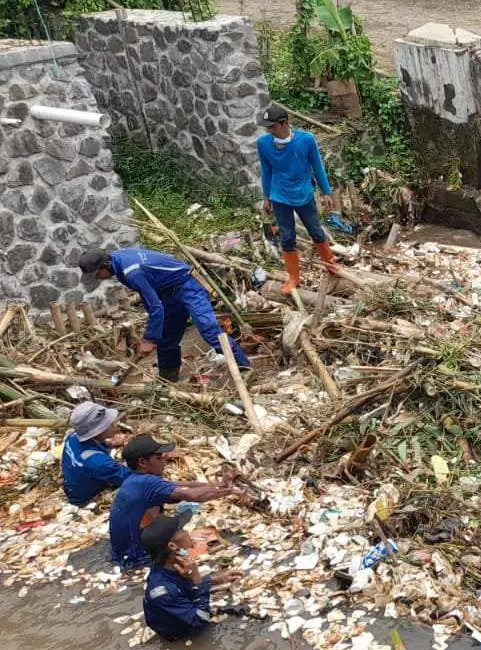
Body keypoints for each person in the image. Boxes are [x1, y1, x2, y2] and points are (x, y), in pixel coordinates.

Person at [78, 247, 249, 382]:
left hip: (186, 284)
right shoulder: (117, 260)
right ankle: (168, 378)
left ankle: (245, 368)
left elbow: (155, 308)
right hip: (167, 291)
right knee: (167, 337)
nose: (98, 278)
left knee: (208, 329)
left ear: (105, 265)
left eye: (97, 274)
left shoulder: (132, 271)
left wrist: (149, 339)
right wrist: (154, 336)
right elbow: (150, 299)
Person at [106, 434, 244, 569]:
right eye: (158, 457)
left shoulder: (136, 479)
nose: (164, 460)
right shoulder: (148, 482)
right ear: (142, 462)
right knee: (190, 540)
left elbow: (183, 486)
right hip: (137, 556)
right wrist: (229, 491)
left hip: (122, 552)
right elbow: (191, 495)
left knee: (190, 535)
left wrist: (220, 484)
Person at [257, 102, 340, 295]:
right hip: (279, 195)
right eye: (267, 127)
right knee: (287, 237)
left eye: (272, 127)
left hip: (303, 192)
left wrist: (326, 192)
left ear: (284, 123)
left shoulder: (306, 140)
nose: (269, 130)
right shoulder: (263, 144)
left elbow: (317, 166)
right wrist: (267, 197)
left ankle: (331, 265)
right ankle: (294, 277)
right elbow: (266, 170)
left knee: (316, 231)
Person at [141, 511, 243, 642]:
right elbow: (201, 621)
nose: (188, 532)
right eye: (182, 530)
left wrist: (217, 579)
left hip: (185, 609)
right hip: (182, 634)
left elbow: (183, 587)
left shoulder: (169, 566)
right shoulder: (162, 590)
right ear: (172, 545)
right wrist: (197, 580)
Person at [61, 400, 128, 506]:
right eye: (111, 424)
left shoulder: (72, 437)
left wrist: (109, 444)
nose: (117, 427)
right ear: (99, 430)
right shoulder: (99, 463)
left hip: (72, 487)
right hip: (87, 498)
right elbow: (129, 478)